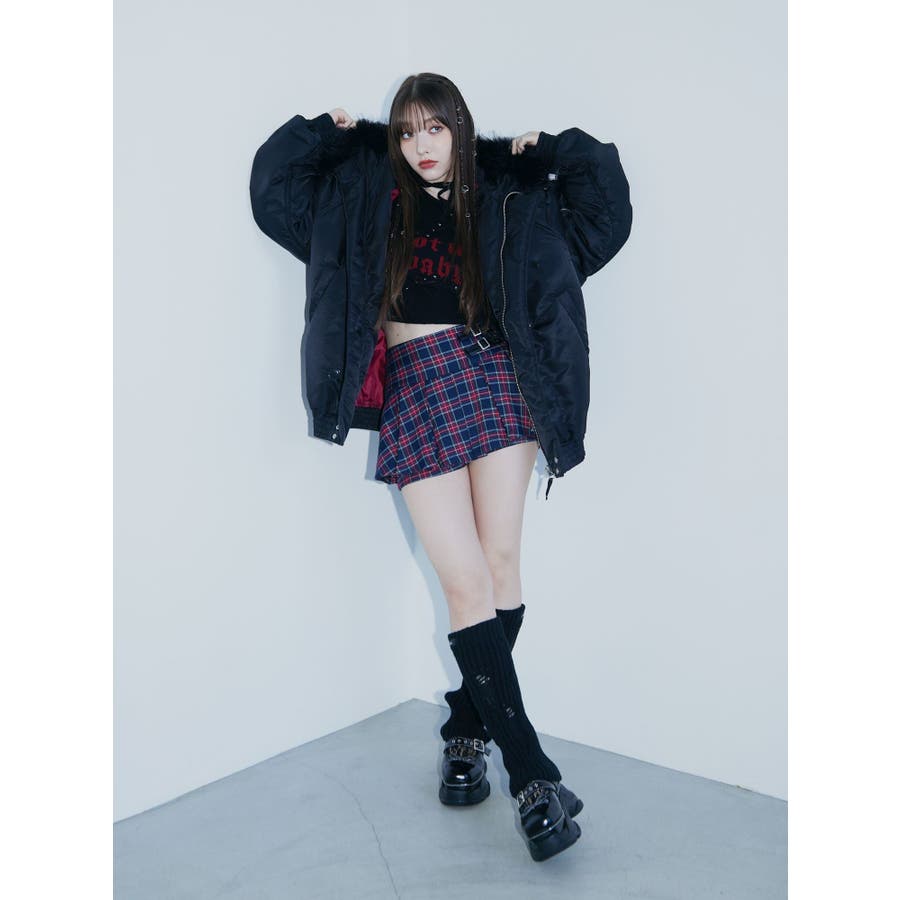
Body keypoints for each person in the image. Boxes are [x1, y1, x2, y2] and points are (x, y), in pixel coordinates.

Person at [249, 73, 632, 862]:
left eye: (435, 127)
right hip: (416, 389)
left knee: (498, 564)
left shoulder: (508, 194)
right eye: (406, 131)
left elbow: (606, 211)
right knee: (463, 582)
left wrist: (552, 150)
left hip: (494, 377)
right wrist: (323, 132)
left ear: (460, 127)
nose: (421, 145)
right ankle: (532, 778)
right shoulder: (364, 194)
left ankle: (465, 733)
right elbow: (273, 193)